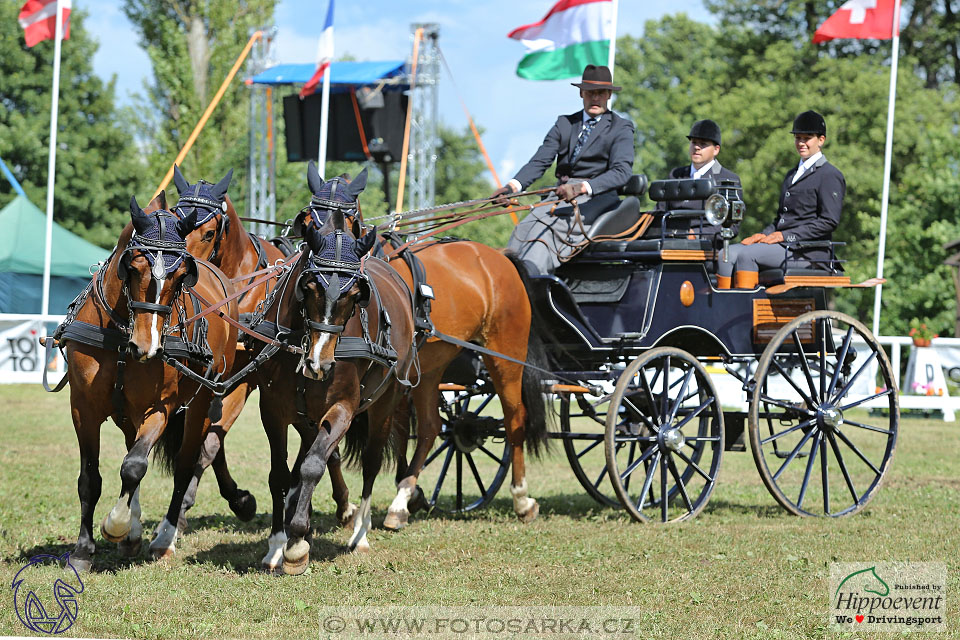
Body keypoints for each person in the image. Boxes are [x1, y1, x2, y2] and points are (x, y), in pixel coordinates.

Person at [493, 64, 635, 276]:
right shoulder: (565, 124)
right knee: (525, 228)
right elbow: (540, 161)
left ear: (608, 95)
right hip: (560, 196)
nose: (595, 98)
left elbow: (621, 172)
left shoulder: (620, 127)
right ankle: (506, 276)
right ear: (581, 93)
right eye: (590, 93)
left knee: (547, 233)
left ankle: (532, 280)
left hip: (597, 197)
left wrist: (583, 187)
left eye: (601, 93)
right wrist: (511, 187)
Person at [717, 110, 845, 290]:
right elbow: (781, 219)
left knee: (748, 256)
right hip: (783, 246)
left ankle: (744, 313)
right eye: (797, 138)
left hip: (808, 252)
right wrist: (763, 235)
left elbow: (828, 221)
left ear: (821, 140)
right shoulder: (791, 175)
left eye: (807, 138)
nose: (801, 143)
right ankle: (721, 311)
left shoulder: (829, 175)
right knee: (726, 254)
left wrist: (784, 236)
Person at [654, 119, 742, 238]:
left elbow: (732, 226)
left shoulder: (728, 179)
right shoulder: (675, 175)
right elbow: (660, 210)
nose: (696, 147)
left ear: (716, 149)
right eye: (693, 142)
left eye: (703, 144)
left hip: (707, 245)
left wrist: (696, 235)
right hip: (670, 237)